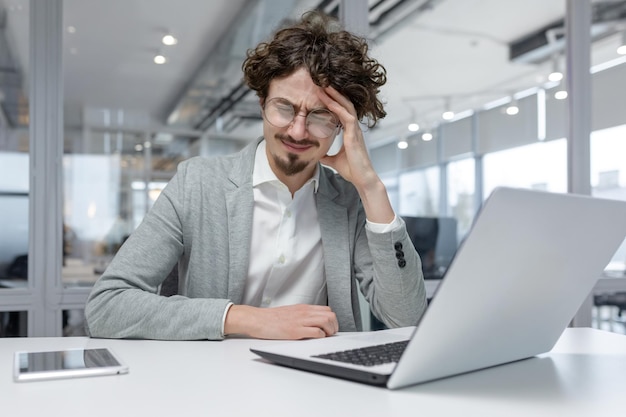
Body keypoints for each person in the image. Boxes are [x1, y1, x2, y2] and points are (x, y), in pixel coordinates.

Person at [84, 10, 427, 341]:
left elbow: (405, 317)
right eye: (284, 108)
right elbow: (107, 305)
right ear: (262, 103)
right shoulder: (198, 183)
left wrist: (371, 187)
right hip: (213, 385)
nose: (298, 130)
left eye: (321, 116)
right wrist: (248, 319)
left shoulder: (348, 200)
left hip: (317, 387)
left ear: (341, 126)